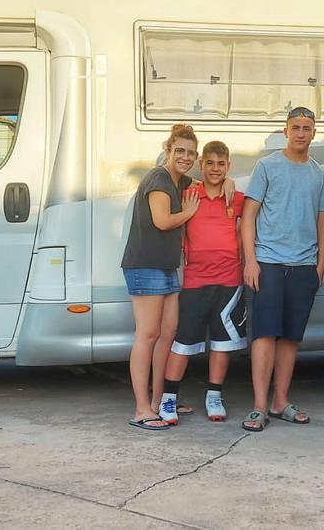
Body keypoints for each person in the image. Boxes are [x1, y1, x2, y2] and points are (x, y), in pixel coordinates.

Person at [240, 106, 324, 433]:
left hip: (304, 266)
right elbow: (249, 216)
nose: (301, 133)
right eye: (296, 127)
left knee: (291, 338)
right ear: (286, 130)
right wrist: (250, 261)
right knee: (265, 335)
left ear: (314, 132)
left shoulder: (320, 175)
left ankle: (280, 401)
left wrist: (319, 266)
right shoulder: (267, 166)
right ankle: (259, 407)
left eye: (307, 127)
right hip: (268, 263)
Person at [158, 141, 247, 424]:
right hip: (195, 280)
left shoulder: (237, 198)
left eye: (221, 164)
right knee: (183, 342)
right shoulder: (188, 195)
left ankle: (214, 396)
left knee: (222, 344)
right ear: (202, 165)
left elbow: (247, 232)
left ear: (228, 166)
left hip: (229, 279)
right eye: (210, 163)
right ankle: (168, 398)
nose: (216, 169)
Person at [121, 123, 201, 431]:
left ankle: (160, 400)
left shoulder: (178, 181)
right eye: (179, 150)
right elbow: (163, 221)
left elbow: (207, 181)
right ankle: (142, 408)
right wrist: (188, 214)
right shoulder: (158, 179)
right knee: (148, 335)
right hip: (145, 267)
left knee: (167, 335)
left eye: (191, 153)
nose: (185, 157)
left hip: (167, 268)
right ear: (168, 150)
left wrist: (229, 181)